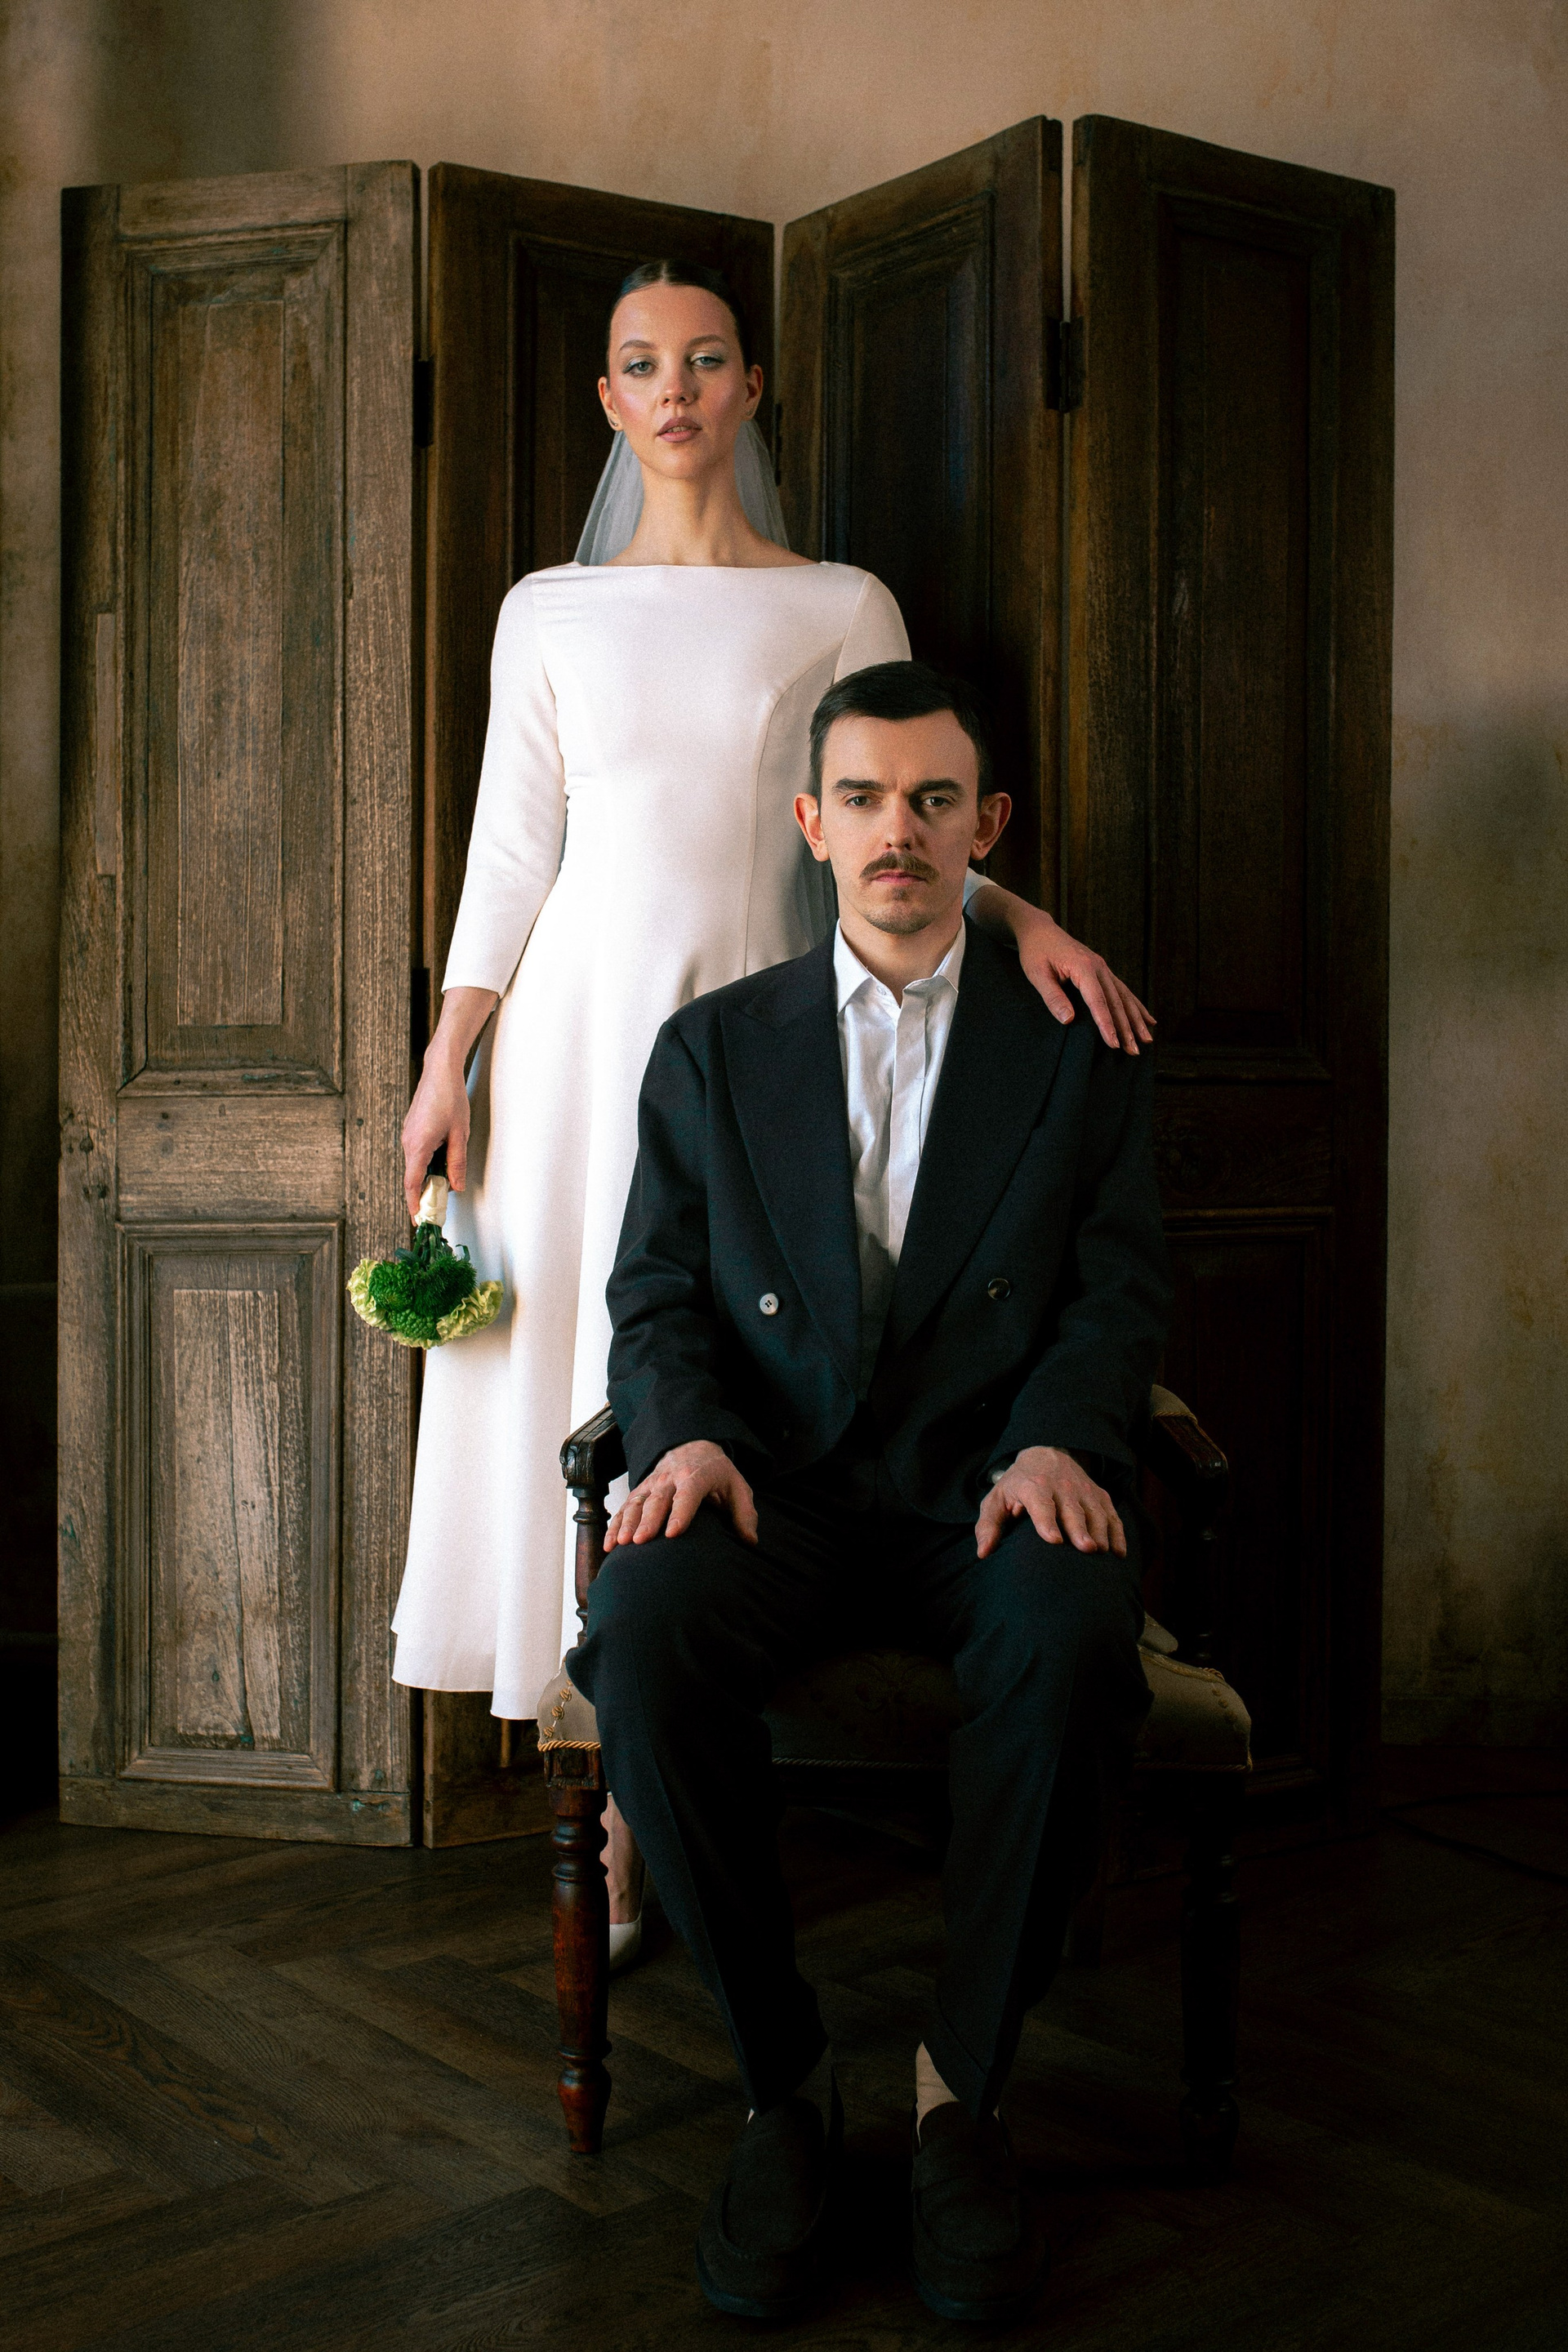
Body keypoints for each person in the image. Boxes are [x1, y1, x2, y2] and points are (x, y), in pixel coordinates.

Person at [391, 257, 1154, 1957]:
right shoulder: (545, 611)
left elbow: (892, 803)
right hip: (576, 1040)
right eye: (642, 363)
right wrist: (450, 1058)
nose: (675, 388)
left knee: (746, 1368)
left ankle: (709, 1787)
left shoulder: (839, 602)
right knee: (603, 1390)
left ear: (750, 388)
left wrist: (1027, 923)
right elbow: (512, 849)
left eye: (707, 358)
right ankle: (624, 1809)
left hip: (762, 1026)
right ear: (611, 399)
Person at [570, 661, 1171, 2324]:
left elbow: (1118, 1290)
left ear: (989, 825)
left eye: (931, 800)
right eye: (863, 798)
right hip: (773, 1489)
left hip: (985, 1486)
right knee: (642, 1630)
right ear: (811, 822)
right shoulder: (713, 1049)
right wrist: (683, 1437)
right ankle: (781, 2086)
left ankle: (960, 2089)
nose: (896, 831)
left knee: (1074, 1629)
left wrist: (1063, 1441)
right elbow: (655, 1294)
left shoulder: (1080, 1049)